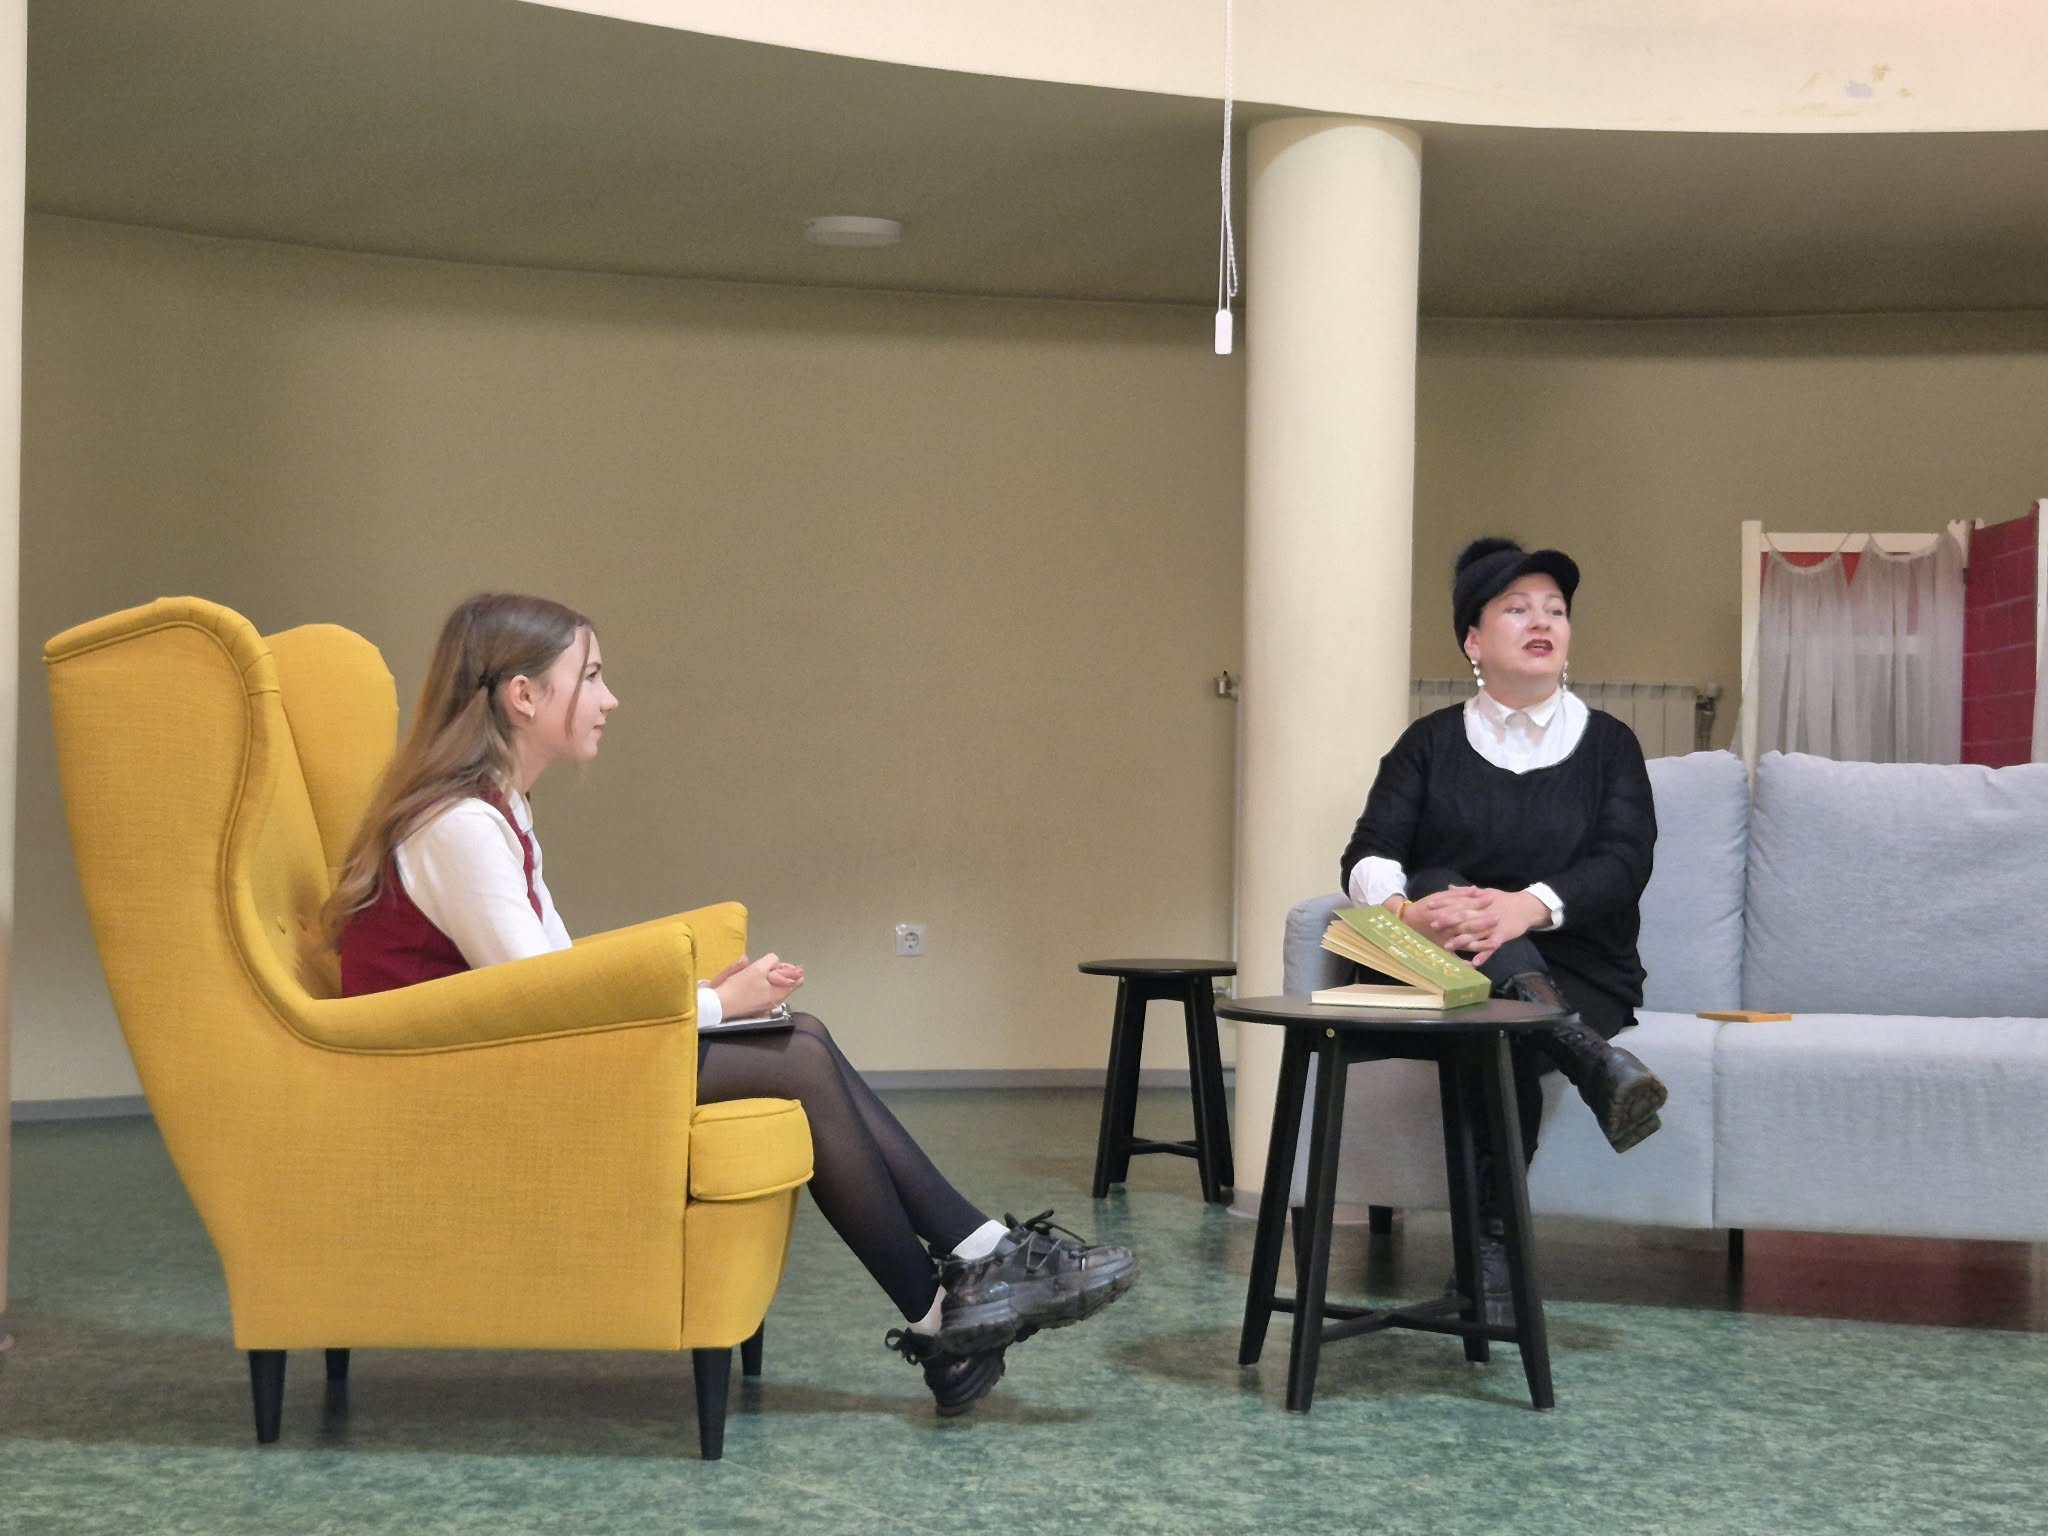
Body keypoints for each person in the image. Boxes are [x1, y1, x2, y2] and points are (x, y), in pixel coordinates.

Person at [324, 593, 1137, 1415]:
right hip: (454, 1097)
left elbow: (555, 981)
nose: (610, 699)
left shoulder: (496, 812)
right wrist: (715, 1009)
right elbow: (547, 1007)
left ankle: (962, 1292)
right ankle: (964, 1287)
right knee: (799, 1054)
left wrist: (711, 998)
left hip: (494, 1068)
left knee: (800, 1035)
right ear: (524, 695)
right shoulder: (460, 826)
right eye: (592, 676)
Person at [1337, 538, 1666, 1317]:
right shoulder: (1427, 744)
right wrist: (1407, 914)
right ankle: (1576, 1049)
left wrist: (1526, 906)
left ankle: (1488, 1258)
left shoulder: (1610, 745)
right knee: (1437, 885)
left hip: (1577, 965)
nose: (1542, 621)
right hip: (1440, 962)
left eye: (1555, 609)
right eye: (1517, 609)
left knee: (1497, 1023)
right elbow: (1367, 853)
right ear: (1473, 642)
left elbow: (1624, 861)